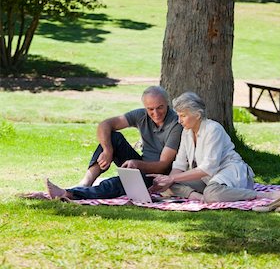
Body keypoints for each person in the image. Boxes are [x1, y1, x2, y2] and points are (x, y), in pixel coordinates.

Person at [149, 92, 280, 212]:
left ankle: (263, 195)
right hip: (208, 179)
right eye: (179, 115)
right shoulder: (186, 133)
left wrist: (173, 179)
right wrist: (166, 182)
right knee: (171, 184)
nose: (179, 120)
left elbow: (208, 168)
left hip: (230, 171)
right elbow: (179, 166)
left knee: (211, 192)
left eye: (183, 116)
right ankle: (199, 198)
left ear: (197, 115)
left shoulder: (213, 129)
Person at [46, 86, 183, 200]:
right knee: (113, 137)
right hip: (141, 163)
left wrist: (137, 165)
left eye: (160, 107)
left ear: (167, 104)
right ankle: (85, 183)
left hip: (159, 175)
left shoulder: (175, 124)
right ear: (145, 107)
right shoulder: (141, 115)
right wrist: (108, 150)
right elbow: (106, 124)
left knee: (122, 181)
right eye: (150, 109)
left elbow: (163, 166)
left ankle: (71, 194)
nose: (155, 113)